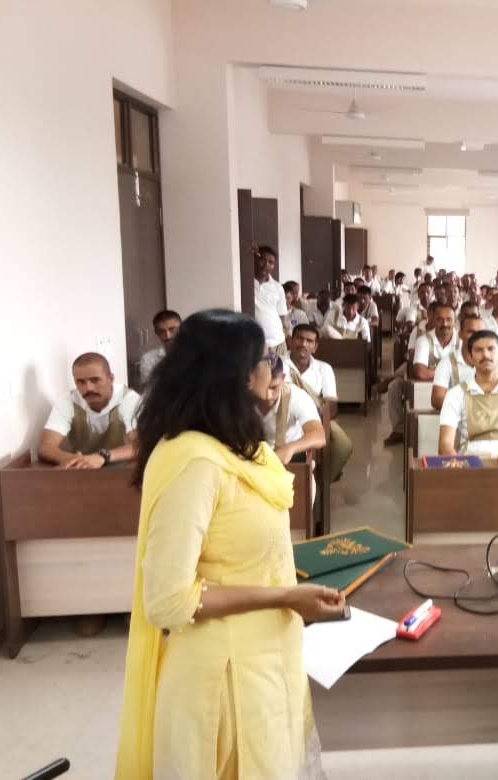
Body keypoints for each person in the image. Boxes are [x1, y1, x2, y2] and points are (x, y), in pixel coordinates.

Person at [116, 309, 345, 779]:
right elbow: (168, 599)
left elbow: (247, 544)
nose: (274, 368)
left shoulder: (243, 446)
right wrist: (286, 596)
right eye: (265, 358)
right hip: (222, 679)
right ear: (237, 376)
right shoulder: (193, 461)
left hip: (266, 657)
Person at [39, 353, 140, 468]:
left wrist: (102, 457)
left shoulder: (128, 399)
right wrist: (78, 461)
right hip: (83, 471)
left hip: (122, 470)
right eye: (81, 382)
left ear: (111, 379)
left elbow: (139, 446)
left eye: (95, 380)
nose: (88, 388)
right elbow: (45, 447)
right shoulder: (68, 401)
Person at [384, 303, 458, 445]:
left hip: (449, 389)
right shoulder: (423, 340)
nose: (445, 324)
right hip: (421, 386)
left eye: (449, 319)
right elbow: (421, 372)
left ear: (455, 321)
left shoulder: (461, 342)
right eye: (440, 319)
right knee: (394, 387)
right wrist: (450, 373)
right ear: (432, 320)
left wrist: (437, 373)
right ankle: (400, 429)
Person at [286, 324, 354, 481]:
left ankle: (321, 483)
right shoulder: (279, 365)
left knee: (344, 446)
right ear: (290, 341)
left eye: (309, 341)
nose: (303, 344)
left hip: (316, 418)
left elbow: (331, 405)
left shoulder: (324, 369)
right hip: (286, 419)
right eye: (299, 339)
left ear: (315, 347)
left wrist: (313, 419)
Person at [254, 354, 326, 470]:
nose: (268, 396)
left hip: (290, 460)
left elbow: (319, 435)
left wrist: (290, 448)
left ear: (283, 379)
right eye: (263, 387)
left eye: (274, 387)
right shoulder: (245, 396)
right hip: (253, 460)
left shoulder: (296, 397)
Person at [431, 315, 484, 410]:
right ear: (460, 334)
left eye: (480, 333)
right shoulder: (447, 363)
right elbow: (437, 399)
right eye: (471, 332)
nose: (476, 337)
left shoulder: (492, 362)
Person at [252, 244, 288, 355]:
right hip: (255, 344)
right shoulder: (244, 283)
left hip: (278, 342)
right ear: (255, 259)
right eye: (262, 260)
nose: (266, 265)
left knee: (279, 372)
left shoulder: (278, 287)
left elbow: (282, 316)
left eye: (271, 262)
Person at [138, 309, 182, 389]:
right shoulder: (148, 358)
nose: (168, 336)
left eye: (172, 329)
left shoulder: (196, 353)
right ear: (156, 333)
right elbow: (148, 389)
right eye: (162, 331)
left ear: (182, 328)